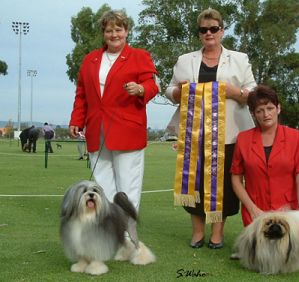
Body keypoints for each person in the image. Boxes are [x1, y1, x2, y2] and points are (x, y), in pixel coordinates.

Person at [165, 8, 256, 249]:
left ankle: (217, 233)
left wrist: (236, 93)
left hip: (228, 135)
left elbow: (253, 93)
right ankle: (197, 233)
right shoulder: (185, 60)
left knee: (224, 185)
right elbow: (169, 90)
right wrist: (178, 91)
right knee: (193, 183)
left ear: (222, 31)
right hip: (193, 135)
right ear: (199, 34)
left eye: (213, 28)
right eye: (204, 30)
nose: (209, 33)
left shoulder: (239, 59)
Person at [69, 10, 159, 214]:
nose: (114, 34)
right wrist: (77, 119)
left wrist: (141, 88)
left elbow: (152, 86)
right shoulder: (90, 59)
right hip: (96, 130)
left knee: (128, 186)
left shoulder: (139, 56)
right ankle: (108, 229)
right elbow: (82, 93)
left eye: (118, 29)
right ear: (103, 33)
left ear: (127, 31)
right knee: (102, 185)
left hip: (127, 130)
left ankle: (127, 233)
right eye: (109, 30)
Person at [230, 84, 299, 228]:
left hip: (289, 212)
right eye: (260, 110)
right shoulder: (242, 139)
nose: (266, 114)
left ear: (278, 108)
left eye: (270, 108)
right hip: (255, 214)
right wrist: (252, 209)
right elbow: (236, 179)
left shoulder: (296, 137)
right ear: (253, 114)